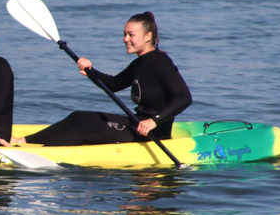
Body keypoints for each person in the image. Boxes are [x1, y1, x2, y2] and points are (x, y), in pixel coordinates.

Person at [12, 12, 191, 146]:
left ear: (148, 36)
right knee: (79, 117)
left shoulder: (161, 62)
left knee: (87, 128)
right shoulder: (140, 63)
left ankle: (43, 152)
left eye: (131, 35)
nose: (125, 39)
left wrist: (154, 120)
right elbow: (113, 84)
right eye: (124, 34)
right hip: (136, 122)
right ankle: (23, 141)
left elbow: (184, 97)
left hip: (153, 133)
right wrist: (91, 71)